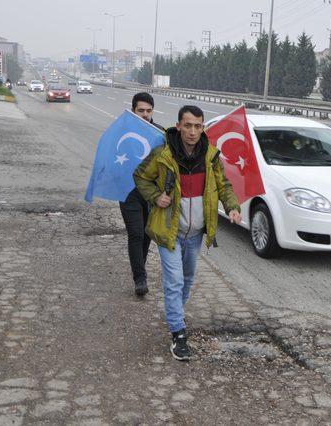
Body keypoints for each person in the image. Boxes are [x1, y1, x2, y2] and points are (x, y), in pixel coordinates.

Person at [134, 105, 241, 361]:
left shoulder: (211, 156)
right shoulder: (164, 153)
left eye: (198, 126)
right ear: (179, 126)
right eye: (188, 125)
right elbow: (140, 176)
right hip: (169, 231)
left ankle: (175, 316)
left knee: (188, 279)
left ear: (203, 127)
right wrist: (155, 196)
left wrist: (233, 207)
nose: (193, 131)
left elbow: (223, 185)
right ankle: (178, 333)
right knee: (175, 281)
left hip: (195, 234)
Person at [119, 92, 164, 297]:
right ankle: (140, 279)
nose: (145, 114)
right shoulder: (122, 132)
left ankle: (140, 268)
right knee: (136, 233)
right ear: (133, 110)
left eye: (148, 110)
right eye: (141, 110)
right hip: (129, 191)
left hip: (152, 193)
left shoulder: (161, 135)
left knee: (146, 235)